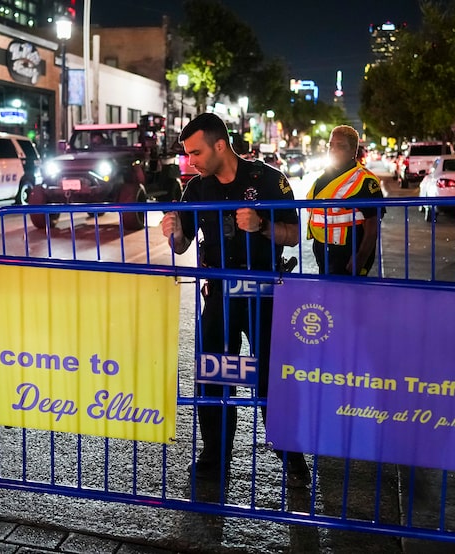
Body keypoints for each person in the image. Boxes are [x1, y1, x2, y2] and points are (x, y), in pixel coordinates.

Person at [160, 113, 309, 486]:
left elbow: (293, 235)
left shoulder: (269, 179)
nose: (190, 160)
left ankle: (292, 458)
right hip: (220, 295)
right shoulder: (196, 189)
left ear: (220, 145)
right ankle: (214, 457)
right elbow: (182, 245)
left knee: (272, 378)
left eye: (195, 152)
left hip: (264, 293)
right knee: (214, 375)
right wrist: (174, 231)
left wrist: (262, 226)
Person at [308, 125, 383, 276]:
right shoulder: (324, 177)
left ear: (353, 151)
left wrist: (360, 258)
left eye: (340, 146)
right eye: (331, 145)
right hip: (324, 253)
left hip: (348, 258)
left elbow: (373, 226)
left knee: (348, 299)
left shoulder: (365, 181)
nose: (333, 150)